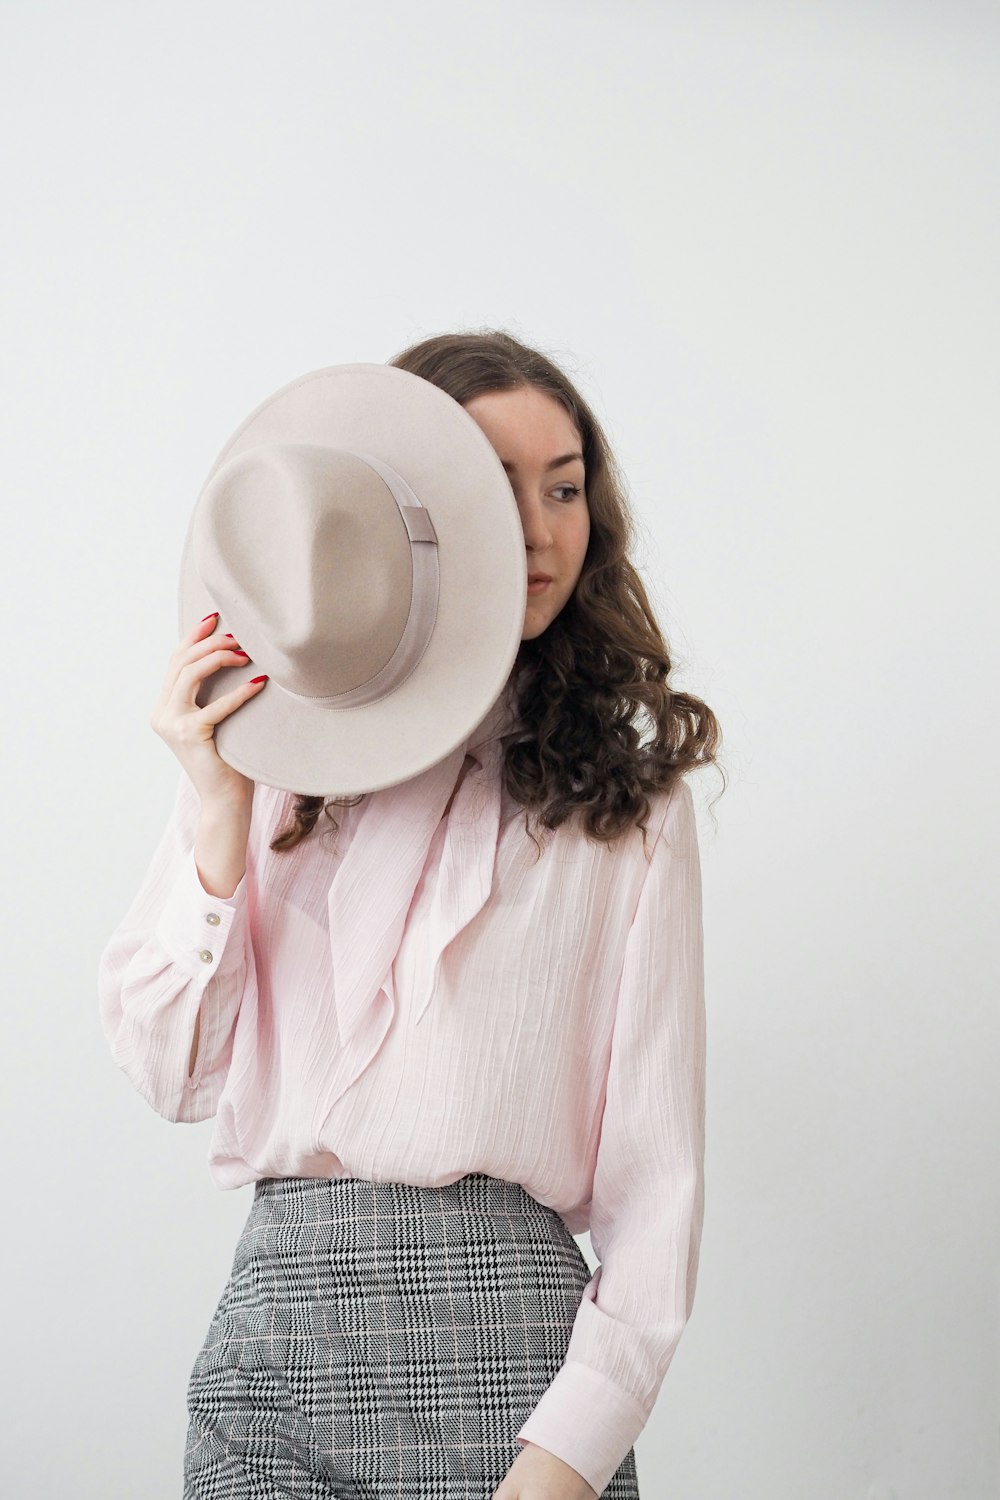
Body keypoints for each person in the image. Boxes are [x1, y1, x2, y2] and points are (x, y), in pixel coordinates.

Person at [98, 329, 722, 1500]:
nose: (539, 529)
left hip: (514, 1374)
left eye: (566, 485)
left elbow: (656, 1183)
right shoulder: (272, 759)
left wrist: (563, 1462)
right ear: (407, 511)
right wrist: (220, 808)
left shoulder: (627, 800)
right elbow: (168, 1073)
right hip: (272, 1347)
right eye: (491, 483)